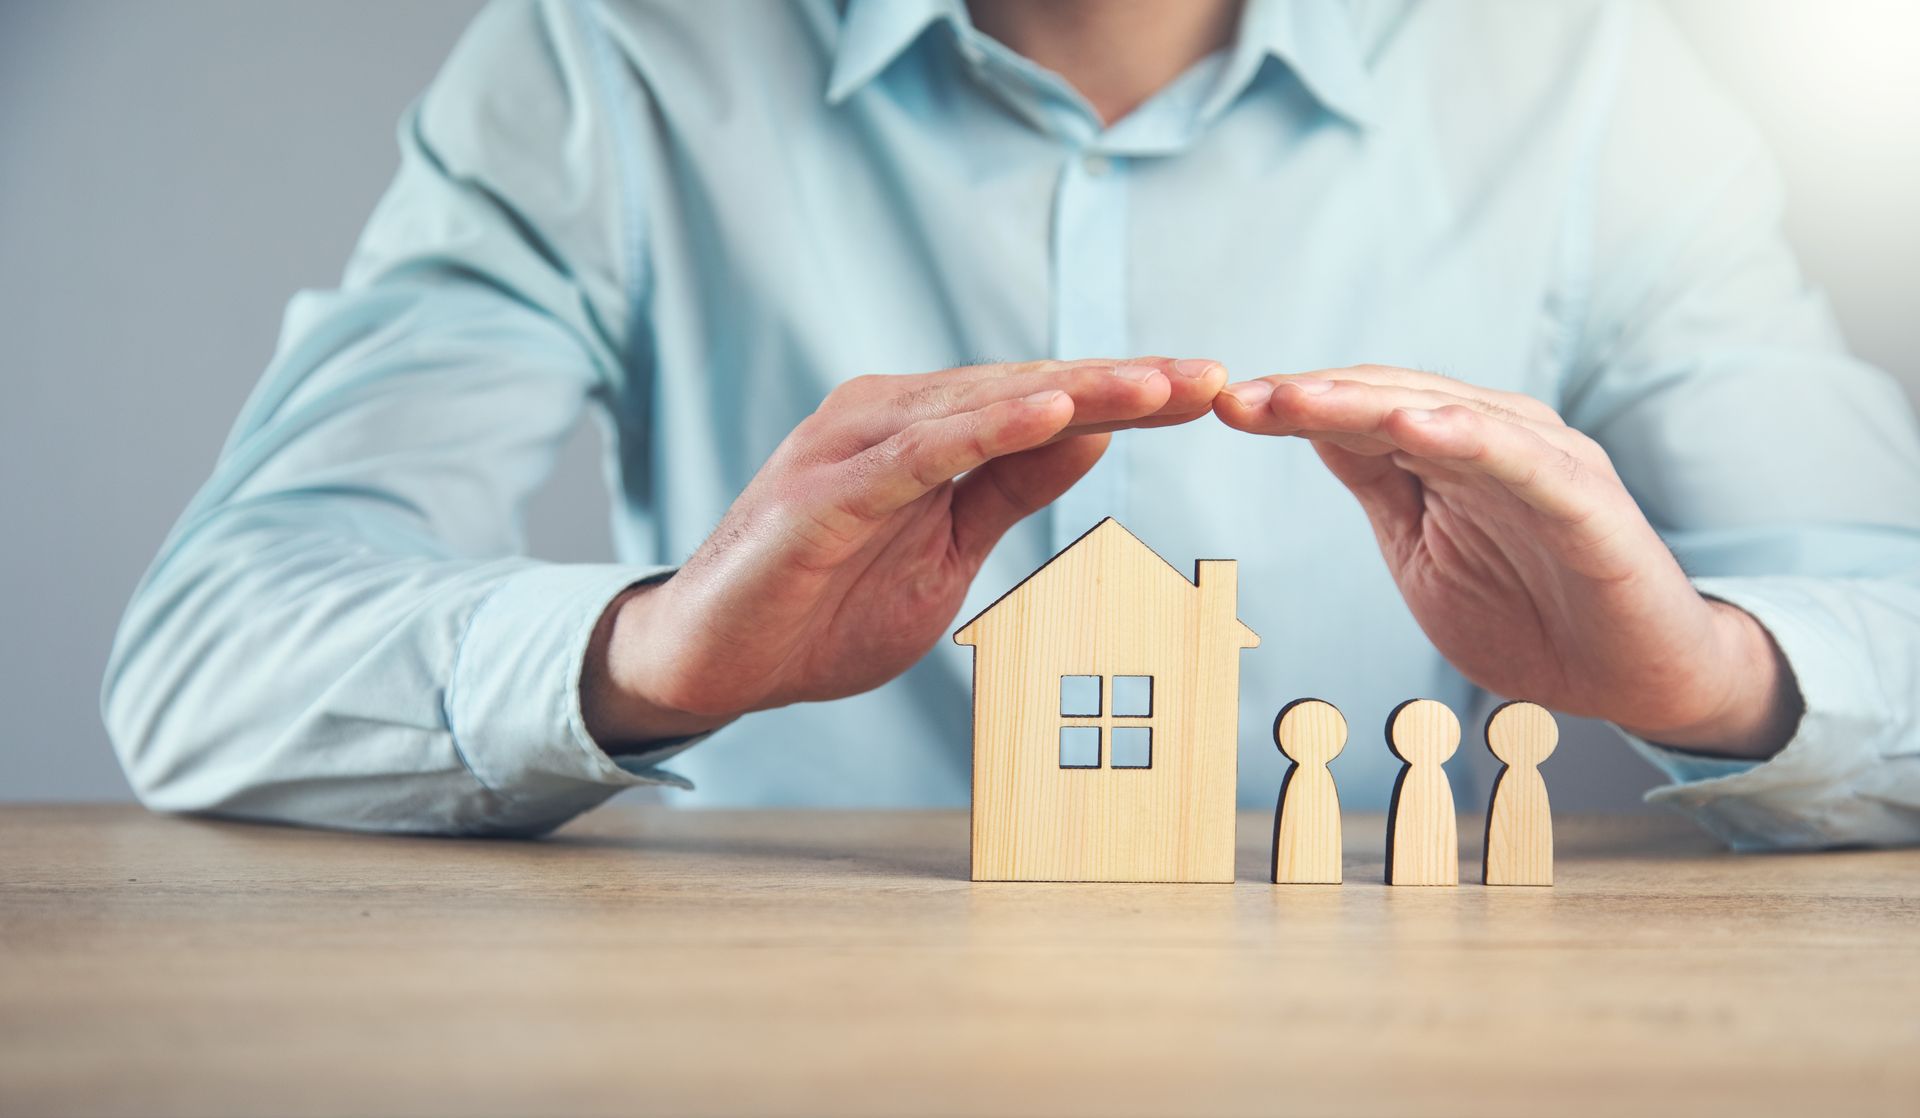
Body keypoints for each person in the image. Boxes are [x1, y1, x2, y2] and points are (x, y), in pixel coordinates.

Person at [102, 0, 1920, 847]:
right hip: (752, 1034)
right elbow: (209, 663)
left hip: (1361, 1033)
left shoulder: (1589, 81)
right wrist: (649, 650)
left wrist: (1707, 671)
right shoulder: (611, 54)